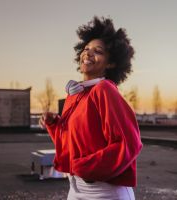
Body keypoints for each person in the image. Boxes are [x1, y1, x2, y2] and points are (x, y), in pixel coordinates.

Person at [40, 16, 143, 200]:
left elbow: (129, 143)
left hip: (105, 192)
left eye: (98, 51)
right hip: (75, 189)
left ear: (111, 63)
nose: (88, 53)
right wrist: (54, 124)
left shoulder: (104, 90)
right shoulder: (76, 94)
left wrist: (83, 168)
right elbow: (74, 143)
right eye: (86, 48)